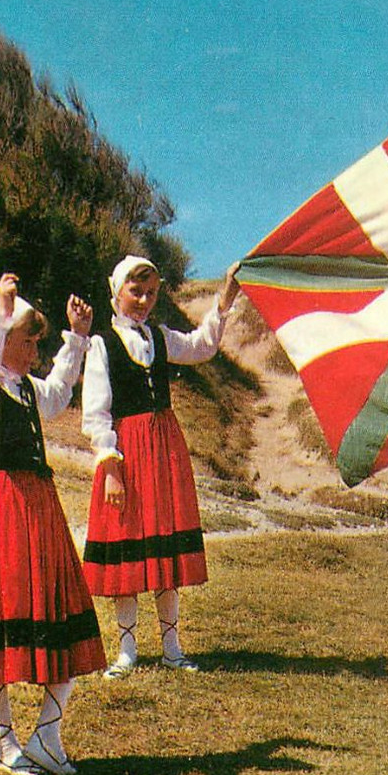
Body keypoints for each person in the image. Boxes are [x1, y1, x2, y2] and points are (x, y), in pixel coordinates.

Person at [0, 275, 104, 775]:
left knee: (65, 621)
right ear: (2, 341)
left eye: (37, 340)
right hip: (5, 510)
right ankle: (5, 742)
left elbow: (58, 391)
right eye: (28, 339)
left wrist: (75, 339)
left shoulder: (27, 390)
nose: (35, 347)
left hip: (41, 508)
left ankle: (46, 736)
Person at [82, 255, 239, 678]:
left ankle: (172, 646)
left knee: (164, 546)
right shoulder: (102, 344)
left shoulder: (160, 338)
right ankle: (127, 650)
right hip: (128, 454)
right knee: (128, 550)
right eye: (136, 292)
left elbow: (202, 346)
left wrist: (224, 299)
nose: (144, 301)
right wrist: (111, 467)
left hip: (164, 449)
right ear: (117, 292)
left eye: (151, 293)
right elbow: (96, 413)